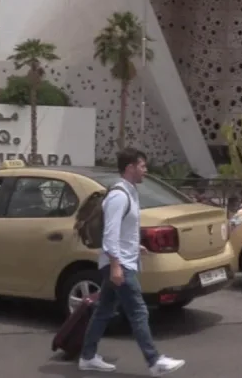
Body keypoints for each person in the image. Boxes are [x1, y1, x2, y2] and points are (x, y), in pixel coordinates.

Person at [79, 148, 185, 376]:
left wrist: (136, 246)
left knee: (103, 311)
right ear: (130, 168)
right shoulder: (119, 196)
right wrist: (116, 265)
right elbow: (110, 234)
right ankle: (154, 361)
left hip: (122, 260)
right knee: (138, 311)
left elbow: (124, 230)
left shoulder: (130, 192)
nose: (145, 170)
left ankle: (87, 357)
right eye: (142, 166)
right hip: (120, 265)